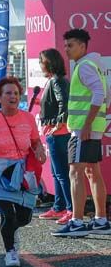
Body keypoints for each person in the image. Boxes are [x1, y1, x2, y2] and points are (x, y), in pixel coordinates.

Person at [0, 77, 47, 266]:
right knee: (8, 214)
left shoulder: (28, 118)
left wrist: (40, 152)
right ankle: (10, 251)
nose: (13, 96)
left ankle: (11, 231)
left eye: (16, 93)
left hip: (22, 171)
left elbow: (36, 143)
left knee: (24, 217)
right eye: (8, 93)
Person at [54, 28, 110, 237]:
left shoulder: (84, 66)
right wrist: (95, 123)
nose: (66, 49)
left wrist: (86, 124)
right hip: (92, 129)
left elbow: (100, 93)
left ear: (83, 47)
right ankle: (101, 220)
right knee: (92, 172)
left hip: (82, 130)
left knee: (75, 172)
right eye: (66, 45)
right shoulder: (95, 64)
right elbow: (106, 93)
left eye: (71, 45)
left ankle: (77, 222)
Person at [37, 49, 73, 224]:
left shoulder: (57, 81)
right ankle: (59, 207)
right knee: (57, 172)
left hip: (59, 134)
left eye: (41, 62)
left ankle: (70, 209)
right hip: (55, 133)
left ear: (49, 63)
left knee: (61, 174)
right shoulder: (54, 80)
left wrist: (58, 124)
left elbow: (63, 102)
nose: (40, 65)